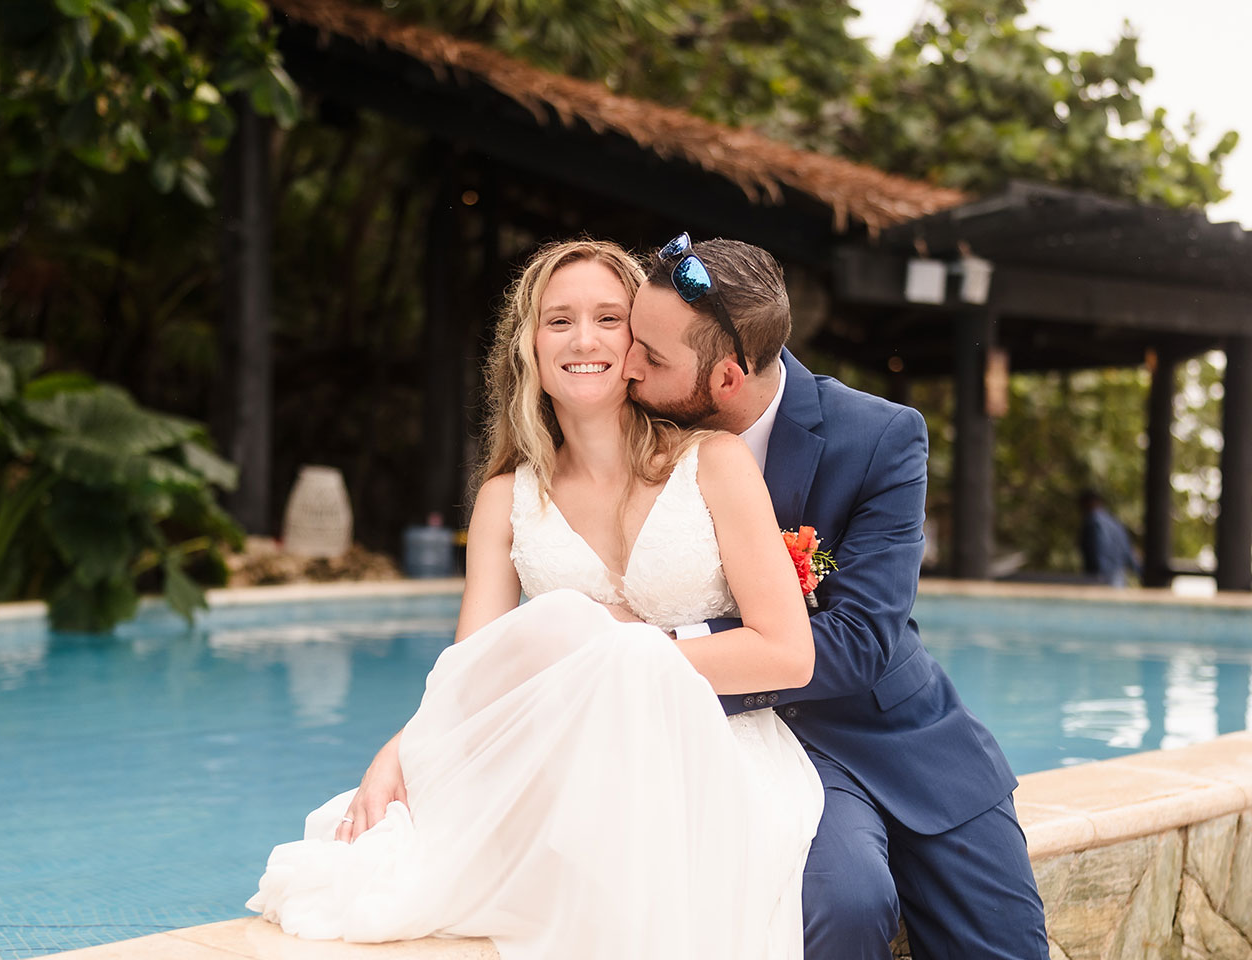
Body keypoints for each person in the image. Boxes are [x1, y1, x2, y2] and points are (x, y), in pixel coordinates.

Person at [247, 239, 825, 959]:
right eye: (559, 321)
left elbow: (787, 652)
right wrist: (395, 751)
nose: (584, 339)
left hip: (711, 751)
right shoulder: (504, 499)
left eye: (608, 318)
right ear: (529, 346)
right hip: (561, 754)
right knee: (381, 861)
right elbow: (473, 671)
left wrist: (616, 648)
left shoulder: (715, 464)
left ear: (639, 338)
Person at [625, 234, 1049, 960]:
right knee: (845, 906)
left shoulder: (881, 436)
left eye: (652, 356)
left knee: (1008, 948)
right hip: (765, 755)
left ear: (727, 377)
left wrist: (659, 649)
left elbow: (860, 641)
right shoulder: (631, 436)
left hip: (904, 737)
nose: (626, 368)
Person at [1079, 489, 1140, 586]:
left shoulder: (1093, 521)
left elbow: (1097, 550)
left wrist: (1099, 577)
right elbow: (1129, 555)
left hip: (1101, 580)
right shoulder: (1116, 523)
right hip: (1119, 580)